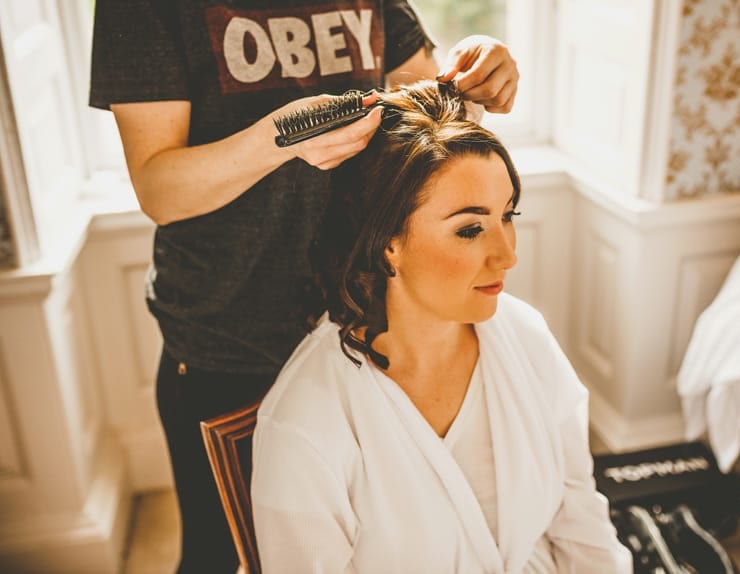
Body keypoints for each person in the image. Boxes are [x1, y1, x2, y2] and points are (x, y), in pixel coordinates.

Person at [88, 1, 519, 571]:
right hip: (231, 337)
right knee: (220, 553)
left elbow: (422, 109)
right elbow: (158, 190)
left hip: (362, 327)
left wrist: (475, 79)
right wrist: (278, 139)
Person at [251, 80, 632, 573]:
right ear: (388, 243)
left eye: (507, 216)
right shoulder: (306, 422)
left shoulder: (525, 337)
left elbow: (579, 518)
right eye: (470, 229)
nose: (507, 255)